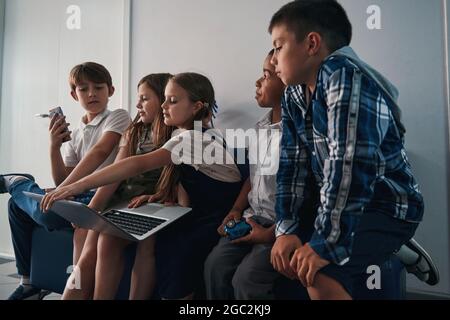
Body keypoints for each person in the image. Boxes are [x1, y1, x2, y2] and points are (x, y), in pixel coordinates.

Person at [40, 72, 248, 300]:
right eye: (165, 99)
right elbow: (187, 180)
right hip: (195, 211)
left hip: (211, 218)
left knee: (168, 248)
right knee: (104, 236)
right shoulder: (183, 133)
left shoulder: (195, 138)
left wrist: (76, 186)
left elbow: (138, 164)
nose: (165, 106)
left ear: (197, 106)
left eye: (173, 101)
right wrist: (159, 194)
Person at [268, 0, 426, 299]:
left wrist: (327, 243)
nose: (273, 59)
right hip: (336, 202)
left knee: (321, 271)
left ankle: (389, 238)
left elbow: (349, 166)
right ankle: (384, 246)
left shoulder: (345, 76)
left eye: (278, 46)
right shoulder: (293, 95)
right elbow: (292, 165)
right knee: (286, 263)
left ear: (312, 43)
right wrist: (285, 228)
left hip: (384, 203)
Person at [0, 61, 131, 300]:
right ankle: (29, 283)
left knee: (44, 212)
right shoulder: (78, 132)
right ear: (74, 94)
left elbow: (100, 152)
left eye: (99, 87)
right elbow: (62, 177)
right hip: (77, 194)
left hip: (100, 196)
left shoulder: (118, 117)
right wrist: (53, 147)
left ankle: (17, 182)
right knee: (15, 206)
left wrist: (64, 190)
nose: (92, 93)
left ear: (110, 91)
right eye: (83, 89)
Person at [60, 73, 185, 300]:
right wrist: (92, 209)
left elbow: (177, 177)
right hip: (121, 199)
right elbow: (116, 173)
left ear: (162, 98)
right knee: (90, 245)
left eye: (145, 99)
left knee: (121, 241)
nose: (137, 105)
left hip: (149, 203)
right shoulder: (134, 130)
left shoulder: (178, 133)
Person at [203, 49, 287, 299]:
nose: (258, 81)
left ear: (288, 81)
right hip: (252, 217)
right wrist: (236, 210)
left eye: (267, 75)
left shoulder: (298, 132)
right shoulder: (259, 128)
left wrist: (271, 233)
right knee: (215, 265)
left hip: (279, 224)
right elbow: (253, 177)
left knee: (247, 279)